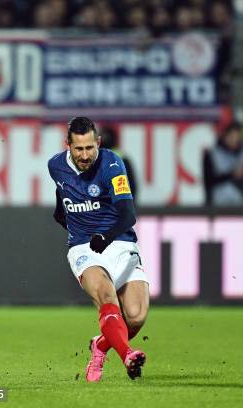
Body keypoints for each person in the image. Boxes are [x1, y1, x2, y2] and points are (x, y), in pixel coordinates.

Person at [48, 117, 149, 382]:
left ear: (98, 143)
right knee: (106, 296)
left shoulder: (113, 164)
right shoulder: (55, 166)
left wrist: (105, 237)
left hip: (119, 241)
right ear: (67, 145)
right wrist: (62, 216)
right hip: (83, 247)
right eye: (79, 149)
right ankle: (128, 355)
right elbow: (63, 195)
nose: (85, 155)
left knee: (136, 317)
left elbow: (128, 215)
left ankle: (101, 344)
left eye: (90, 148)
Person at [203, 122, 243, 206]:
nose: (234, 141)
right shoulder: (212, 154)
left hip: (242, 204)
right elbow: (208, 180)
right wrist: (232, 175)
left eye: (238, 138)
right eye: (232, 137)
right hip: (219, 205)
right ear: (225, 136)